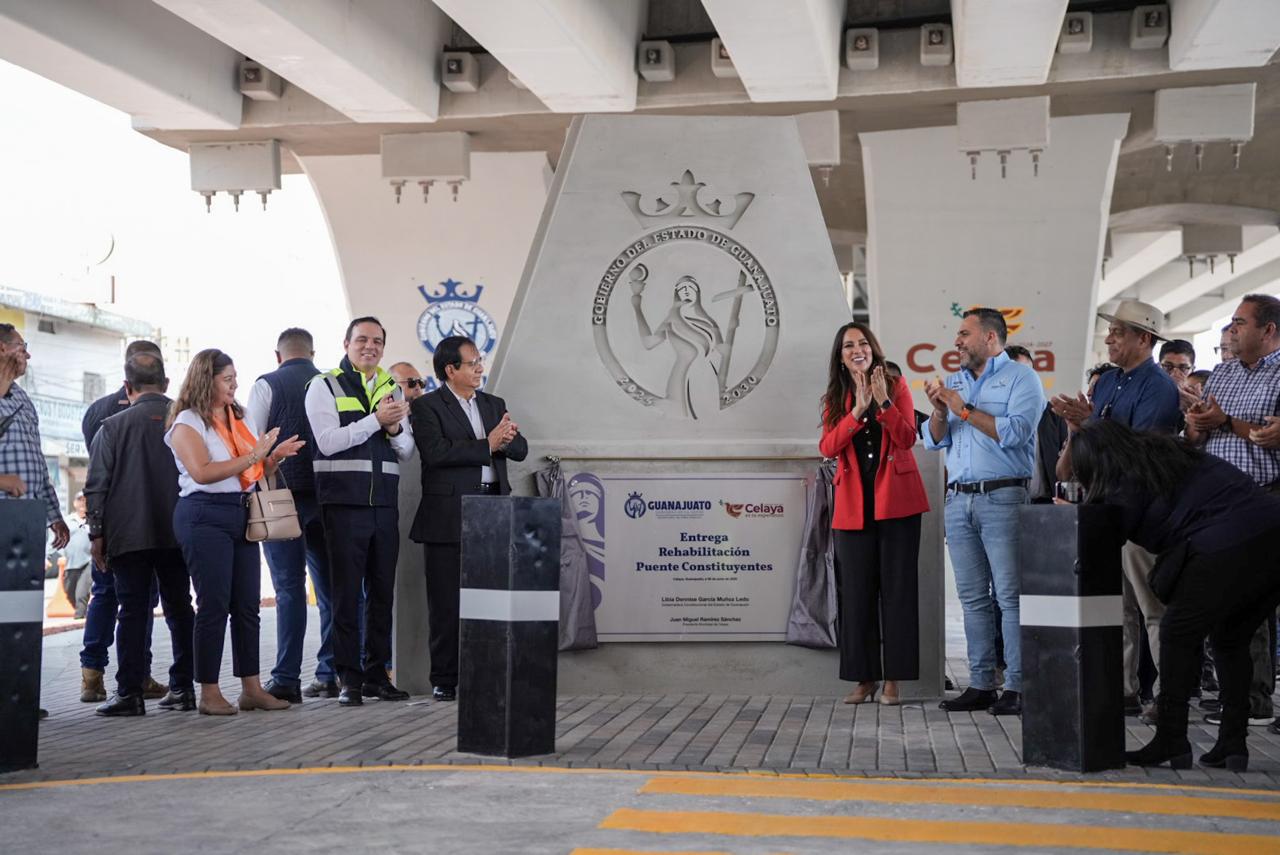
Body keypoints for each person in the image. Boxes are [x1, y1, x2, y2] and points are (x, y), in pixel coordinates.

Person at [1068, 420, 1280, 771]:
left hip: (1225, 542)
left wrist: (1076, 516)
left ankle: (1171, 737)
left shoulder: (1127, 479)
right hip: (1271, 534)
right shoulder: (1165, 455)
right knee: (1230, 639)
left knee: (1177, 633)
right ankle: (1232, 743)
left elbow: (1104, 536)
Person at [1051, 300, 1181, 724]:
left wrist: (1089, 424)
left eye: (1118, 332)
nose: (1108, 338)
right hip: (1103, 509)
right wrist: (1077, 429)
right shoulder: (1108, 382)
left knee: (1154, 608)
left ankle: (1168, 696)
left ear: (1144, 338)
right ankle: (1121, 690)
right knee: (1115, 608)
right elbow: (1089, 443)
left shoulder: (1159, 388)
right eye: (1110, 331)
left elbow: (1143, 453)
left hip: (1144, 514)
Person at [166, 348, 305, 715]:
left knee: (247, 605)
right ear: (205, 380)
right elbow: (202, 472)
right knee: (213, 604)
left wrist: (272, 458)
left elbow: (250, 472)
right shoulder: (187, 421)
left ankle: (251, 689)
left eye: (235, 379)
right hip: (203, 514)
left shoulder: (237, 416)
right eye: (227, 379)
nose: (234, 385)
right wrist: (255, 455)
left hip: (241, 511)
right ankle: (209, 692)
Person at [923, 308, 1043, 716]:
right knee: (972, 597)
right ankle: (981, 684)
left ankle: (1018, 686)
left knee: (1009, 596)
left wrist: (963, 409)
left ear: (990, 338)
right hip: (958, 500)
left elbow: (1017, 433)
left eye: (964, 334)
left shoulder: (1022, 378)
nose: (957, 341)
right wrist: (940, 412)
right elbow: (934, 441)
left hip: (1003, 498)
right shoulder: (954, 381)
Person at [410, 335, 528, 702]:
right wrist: (487, 444)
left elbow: (521, 449)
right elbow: (435, 452)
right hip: (448, 514)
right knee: (446, 602)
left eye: (480, 361)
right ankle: (445, 678)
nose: (480, 368)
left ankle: (487, 674)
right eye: (472, 362)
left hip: (494, 509)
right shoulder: (427, 406)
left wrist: (506, 440)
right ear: (451, 369)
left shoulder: (494, 404)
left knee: (491, 599)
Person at [305, 318, 414, 706]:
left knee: (382, 594)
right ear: (346, 343)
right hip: (343, 505)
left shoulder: (391, 387)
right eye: (362, 340)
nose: (370, 346)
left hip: (383, 505)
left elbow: (406, 451)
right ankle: (348, 678)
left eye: (378, 341)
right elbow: (327, 442)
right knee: (346, 595)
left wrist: (395, 430)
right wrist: (376, 421)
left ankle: (377, 676)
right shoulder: (324, 385)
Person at [819, 322, 928, 706]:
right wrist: (857, 411)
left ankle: (894, 679)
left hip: (897, 503)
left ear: (873, 348)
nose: (857, 350)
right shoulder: (836, 396)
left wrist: (882, 402)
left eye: (863, 343)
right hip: (853, 506)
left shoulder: (895, 385)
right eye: (849, 345)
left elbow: (907, 437)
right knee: (857, 594)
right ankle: (864, 679)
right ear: (841, 356)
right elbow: (828, 446)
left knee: (898, 592)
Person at [1185, 294, 1280, 728]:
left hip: (1265, 497)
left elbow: (1269, 435)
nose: (1233, 329)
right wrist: (1197, 425)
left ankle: (1255, 699)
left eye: (1241, 322)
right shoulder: (1222, 373)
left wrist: (1224, 422)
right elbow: (1200, 434)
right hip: (1218, 501)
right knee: (1231, 602)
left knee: (1254, 601)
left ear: (1268, 330)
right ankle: (1239, 697)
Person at [84, 353, 196, 716]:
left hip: (128, 535)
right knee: (180, 608)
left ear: (127, 387)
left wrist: (97, 535)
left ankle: (129, 693)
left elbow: (96, 487)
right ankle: (184, 688)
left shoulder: (111, 427)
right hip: (179, 531)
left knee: (132, 611)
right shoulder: (188, 422)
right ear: (166, 384)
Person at [245, 328, 336, 702]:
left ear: (278, 355)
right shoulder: (331, 384)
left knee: (288, 589)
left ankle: (286, 679)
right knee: (332, 590)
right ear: (312, 354)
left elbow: (252, 445)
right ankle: (330, 674)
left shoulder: (266, 384)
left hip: (281, 500)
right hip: (329, 497)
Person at [78, 339, 166, 704]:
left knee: (110, 596)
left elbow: (97, 474)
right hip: (151, 523)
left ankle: (94, 676)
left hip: (114, 524)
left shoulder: (97, 411)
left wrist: (97, 529)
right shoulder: (170, 412)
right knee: (139, 601)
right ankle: (135, 676)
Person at [0, 324, 69, 549]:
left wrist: (54, 515)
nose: (28, 355)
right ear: (2, 348)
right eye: (22, 347)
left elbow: (37, 463)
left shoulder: (22, 399)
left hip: (27, 519)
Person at [63, 492, 93, 618]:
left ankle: (80, 616)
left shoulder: (93, 521)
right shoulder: (67, 520)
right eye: (80, 500)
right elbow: (55, 539)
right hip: (71, 563)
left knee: (81, 593)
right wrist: (47, 557)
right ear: (74, 503)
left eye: (85, 500)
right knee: (69, 592)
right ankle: (81, 613)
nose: (83, 503)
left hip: (89, 562)